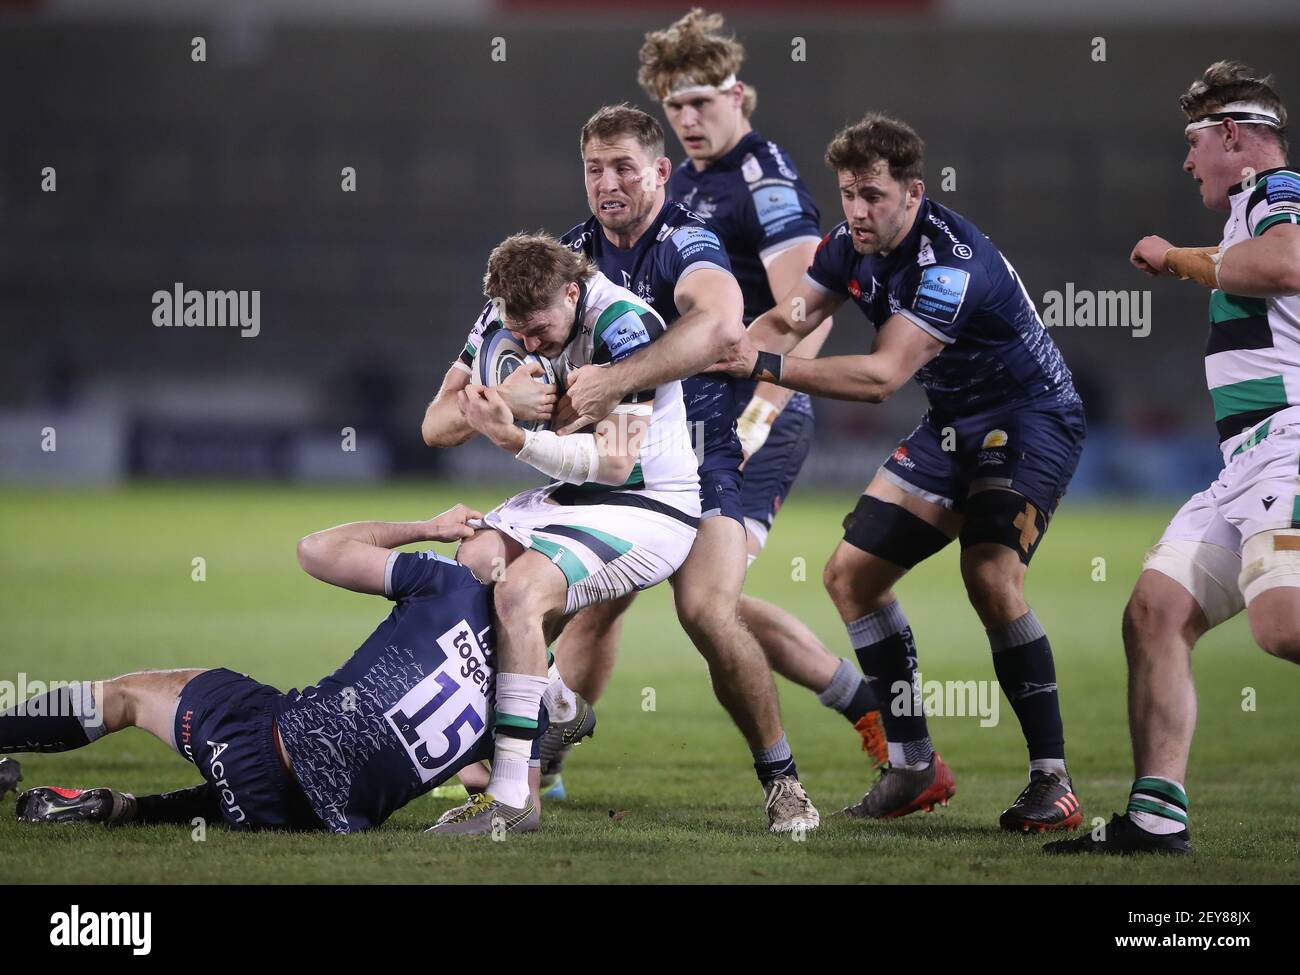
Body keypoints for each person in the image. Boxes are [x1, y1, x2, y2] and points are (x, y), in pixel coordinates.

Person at [541, 10, 886, 800]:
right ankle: (544, 757)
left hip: (753, 408)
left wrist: (763, 407)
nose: (689, 120)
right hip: (682, 409)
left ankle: (865, 710)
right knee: (633, 586)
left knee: (697, 599)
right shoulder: (676, 180)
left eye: (702, 103)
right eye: (675, 108)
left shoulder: (763, 185)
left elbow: (810, 309)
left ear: (740, 96)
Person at [714, 112, 1088, 831]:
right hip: (955, 420)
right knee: (850, 576)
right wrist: (701, 352)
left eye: (874, 196)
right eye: (849, 193)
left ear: (913, 192)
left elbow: (883, 375)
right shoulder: (845, 246)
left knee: (989, 575)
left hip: (1032, 415)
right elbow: (788, 318)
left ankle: (1054, 779)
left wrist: (765, 366)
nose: (858, 209)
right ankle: (914, 765)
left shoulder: (947, 266)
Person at [1048, 62, 1300, 856]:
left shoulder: (1275, 190)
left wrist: (1175, 256)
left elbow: (1290, 263)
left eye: (1194, 143)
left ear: (1232, 136)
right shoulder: (1242, 219)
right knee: (1155, 610)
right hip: (1243, 469)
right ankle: (1157, 819)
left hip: (1291, 448)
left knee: (1283, 627)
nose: (1188, 162)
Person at [3, 506, 579, 835]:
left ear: (511, 560)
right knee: (259, 791)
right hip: (308, 822)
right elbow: (492, 787)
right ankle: (121, 808)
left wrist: (428, 528)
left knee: (131, 695)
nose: (477, 528)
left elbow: (315, 550)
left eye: (491, 527)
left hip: (262, 747)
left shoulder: (448, 584)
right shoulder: (524, 697)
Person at [421, 232, 709, 834]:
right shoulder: (501, 316)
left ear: (573, 292)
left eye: (539, 329)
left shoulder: (625, 324)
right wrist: (500, 397)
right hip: (571, 498)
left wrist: (514, 437)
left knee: (521, 592)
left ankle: (511, 798)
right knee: (473, 566)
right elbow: (434, 426)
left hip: (649, 505)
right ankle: (555, 704)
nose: (528, 343)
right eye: (517, 332)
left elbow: (615, 463)